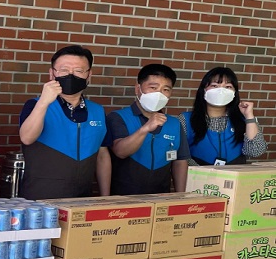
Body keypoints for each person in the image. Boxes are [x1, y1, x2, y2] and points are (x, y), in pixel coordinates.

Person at [18, 45, 111, 200]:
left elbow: (102, 155)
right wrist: (43, 102)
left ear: (89, 75)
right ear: (52, 73)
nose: (70, 75)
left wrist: (105, 197)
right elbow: (27, 138)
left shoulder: (98, 111)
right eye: (64, 70)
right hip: (41, 199)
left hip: (82, 199)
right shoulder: (35, 105)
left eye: (78, 71)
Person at [107, 63, 189, 194]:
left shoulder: (174, 123)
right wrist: (145, 128)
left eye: (166, 89)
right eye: (153, 87)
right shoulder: (118, 117)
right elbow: (120, 152)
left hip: (161, 197)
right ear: (138, 88)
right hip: (123, 197)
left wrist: (180, 195)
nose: (159, 94)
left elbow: (180, 161)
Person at [178, 67, 267, 165]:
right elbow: (179, 155)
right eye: (215, 86)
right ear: (204, 90)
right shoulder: (186, 119)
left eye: (228, 87)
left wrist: (249, 117)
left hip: (235, 173)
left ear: (234, 93)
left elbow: (255, 151)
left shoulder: (244, 119)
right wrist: (203, 172)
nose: (221, 91)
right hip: (197, 173)